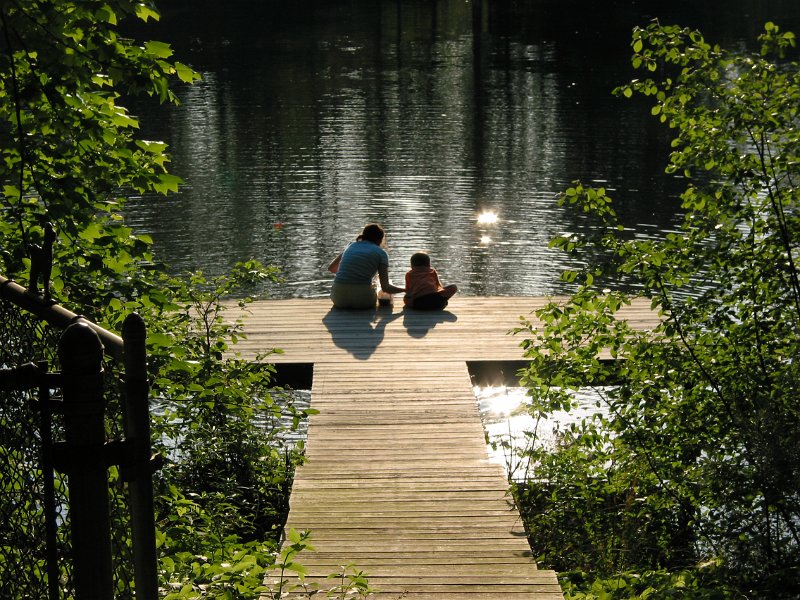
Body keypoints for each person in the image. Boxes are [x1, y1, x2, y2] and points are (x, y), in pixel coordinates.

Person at [328, 223, 405, 309]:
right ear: (380, 239)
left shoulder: (350, 246)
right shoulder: (381, 253)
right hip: (363, 301)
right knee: (378, 290)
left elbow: (332, 269)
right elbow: (386, 287)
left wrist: (350, 274)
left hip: (338, 298)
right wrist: (405, 290)